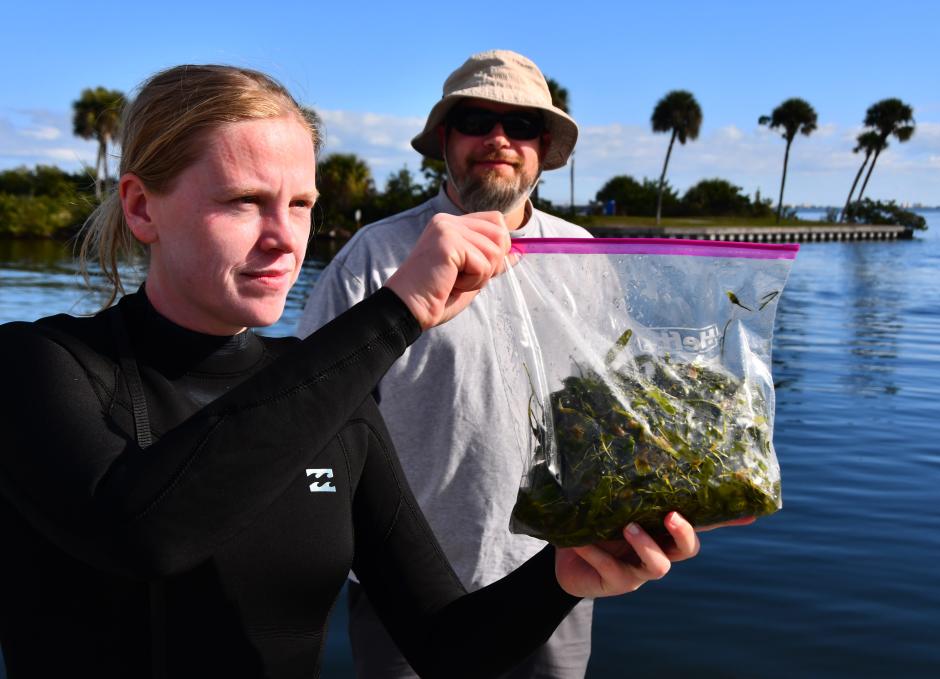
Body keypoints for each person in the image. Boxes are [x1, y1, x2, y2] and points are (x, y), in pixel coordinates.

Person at [0, 64, 728, 679]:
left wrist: (562, 576)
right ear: (141, 207)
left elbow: (448, 645)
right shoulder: (42, 365)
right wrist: (398, 309)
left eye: (301, 204)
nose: (284, 237)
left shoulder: (330, 403)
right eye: (243, 202)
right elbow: (143, 533)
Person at [296, 49, 591, 678]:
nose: (499, 140)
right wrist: (326, 533)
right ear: (445, 139)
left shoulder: (584, 257)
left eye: (522, 125)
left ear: (545, 145)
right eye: (477, 120)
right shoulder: (375, 256)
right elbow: (309, 422)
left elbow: (609, 408)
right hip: (405, 587)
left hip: (559, 572)